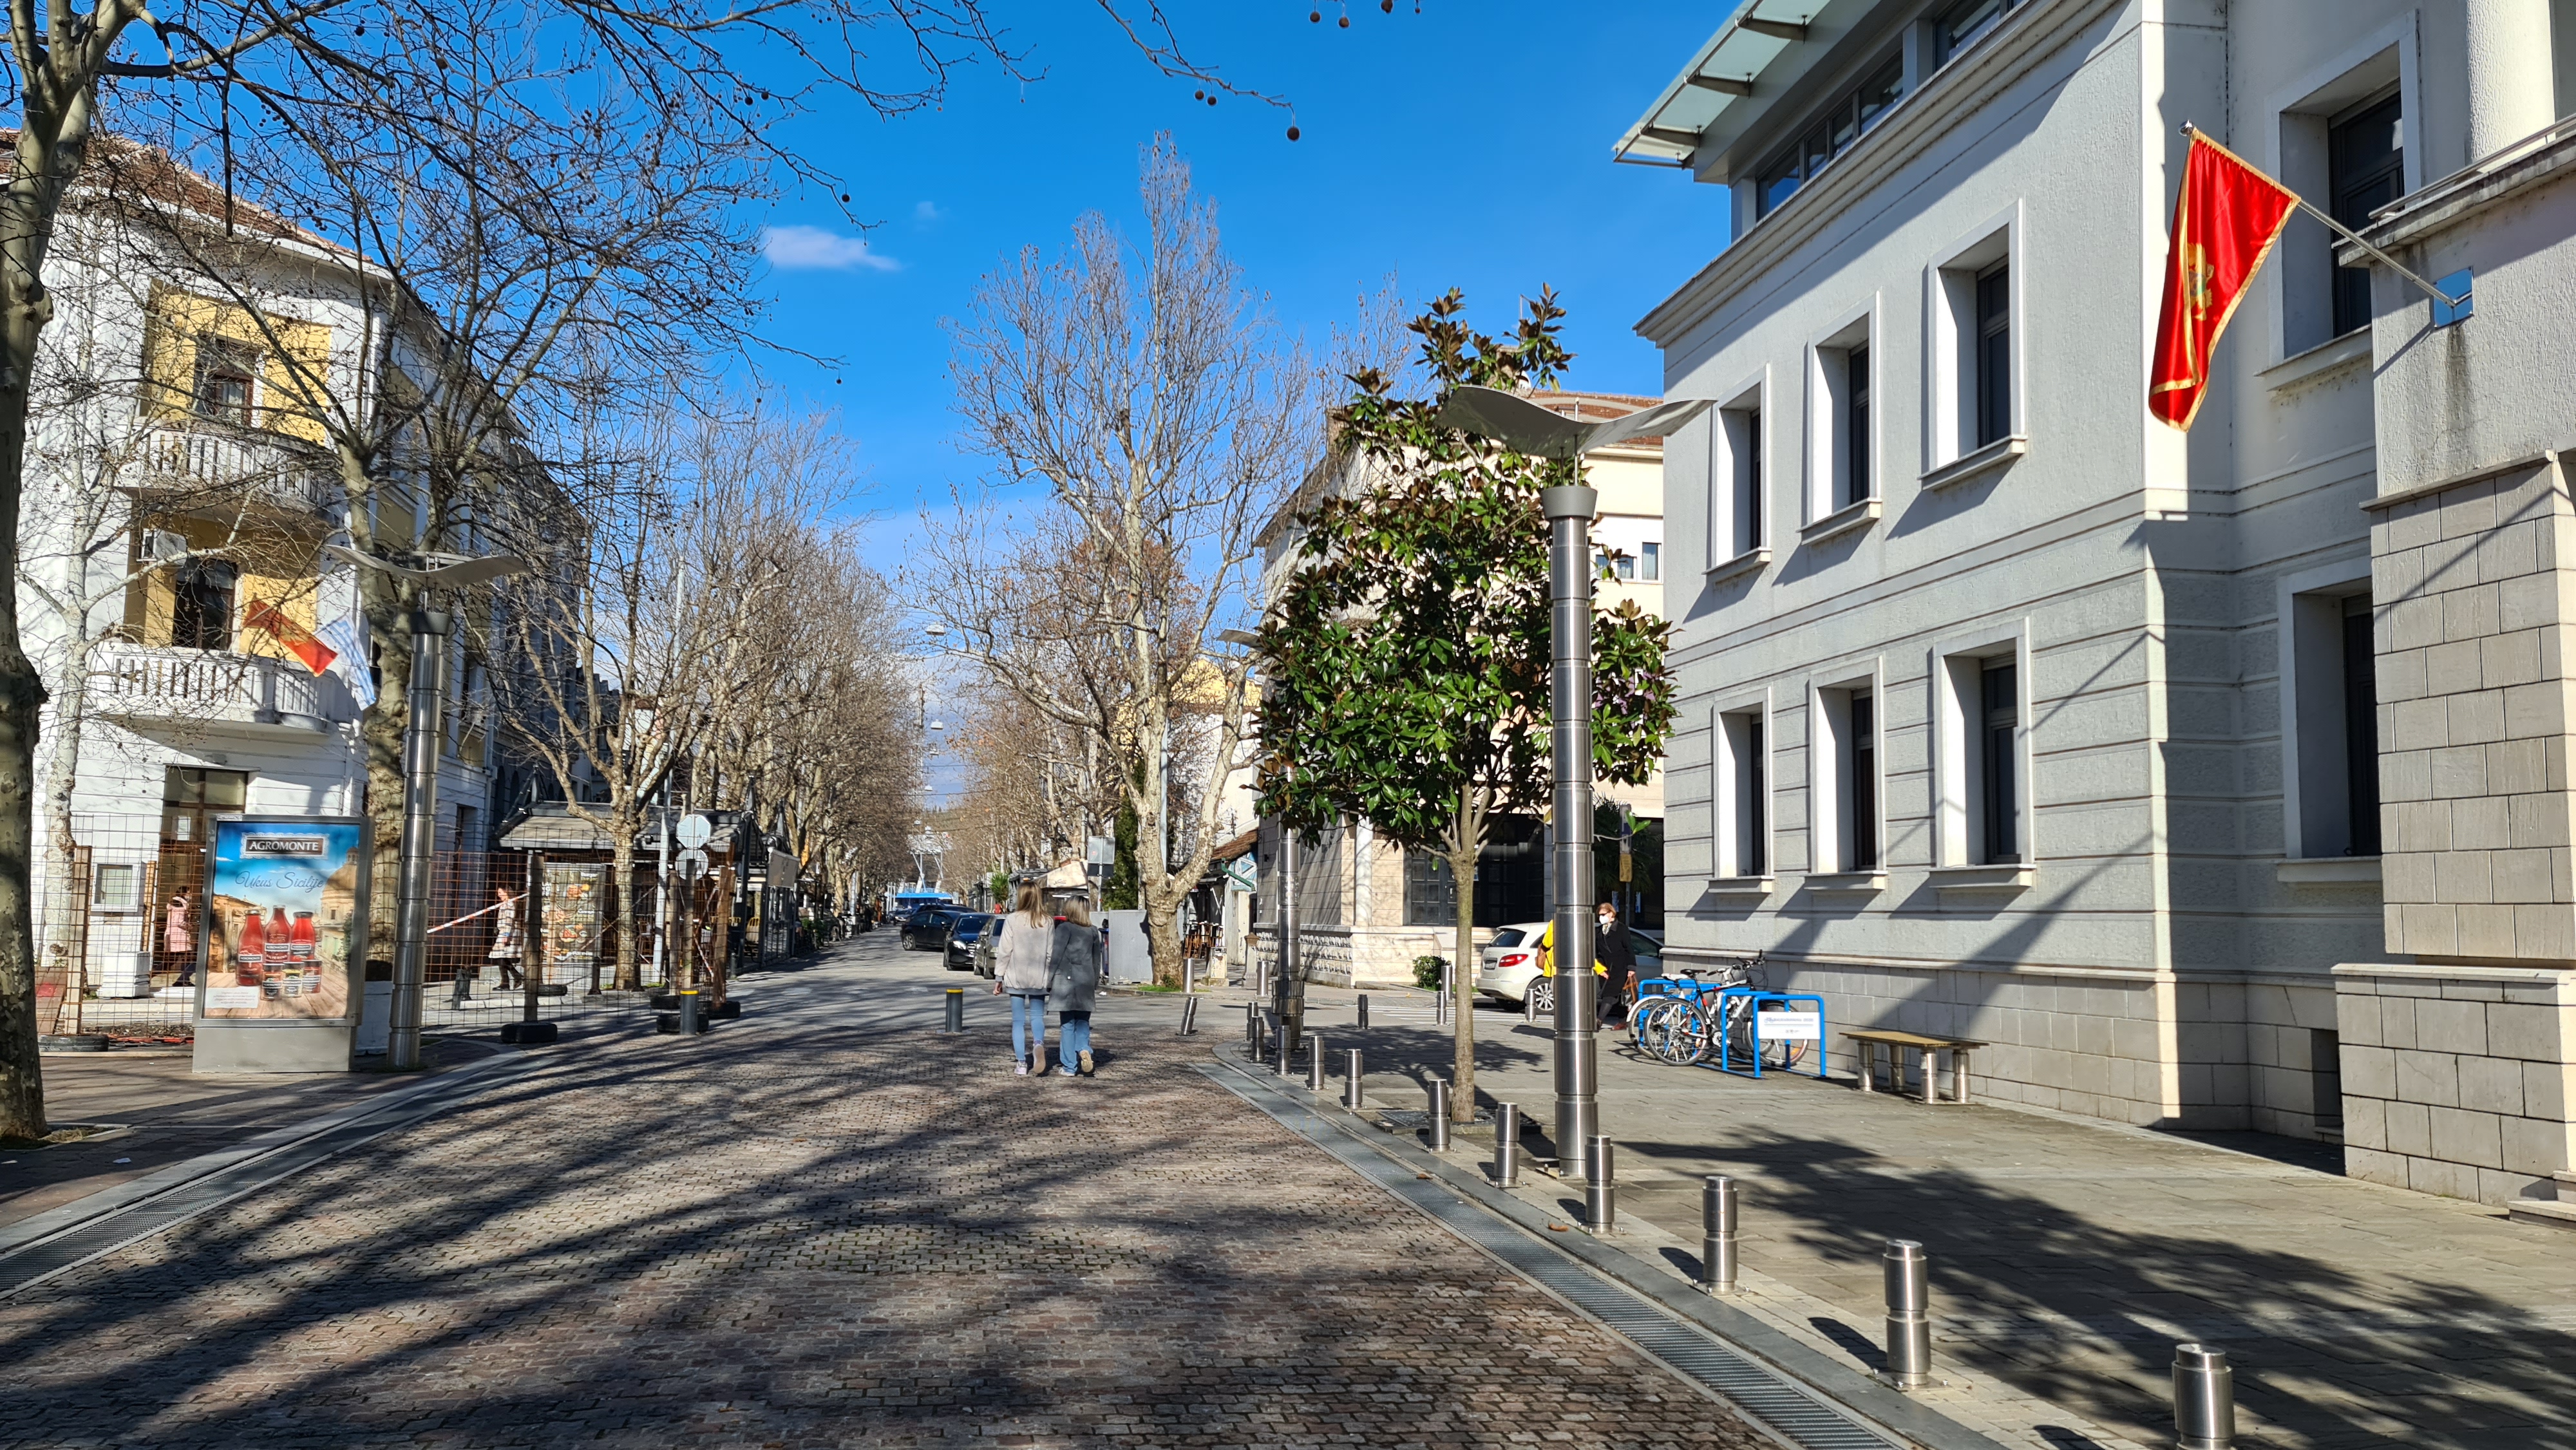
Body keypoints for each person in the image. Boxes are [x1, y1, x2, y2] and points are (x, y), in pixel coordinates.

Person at [992, 881, 1056, 1076]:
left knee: (1018, 1021)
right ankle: (1038, 1043)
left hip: (1016, 976)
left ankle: (1021, 1063)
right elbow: (1050, 953)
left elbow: (1005, 951)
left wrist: (999, 978)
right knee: (1037, 1017)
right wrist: (1050, 977)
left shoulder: (1012, 920)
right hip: (1039, 978)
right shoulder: (1048, 921)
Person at [1051, 896, 1104, 1077]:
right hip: (1086, 982)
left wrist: (1048, 980)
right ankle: (1084, 1049)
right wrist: (1094, 981)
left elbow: (1056, 956)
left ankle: (1069, 1066)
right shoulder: (1093, 931)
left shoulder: (1064, 929)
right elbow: (1097, 961)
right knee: (1083, 1022)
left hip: (1065, 982)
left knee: (1067, 1025)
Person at [1596, 901, 1636, 1026]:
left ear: (1611, 913)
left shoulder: (1621, 929)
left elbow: (1629, 948)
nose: (1601, 917)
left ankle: (1599, 1020)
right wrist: (1600, 969)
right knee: (1617, 996)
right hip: (1605, 967)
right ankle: (1623, 1021)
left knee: (1611, 994)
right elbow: (1596, 951)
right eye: (1599, 915)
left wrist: (1631, 967)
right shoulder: (1598, 931)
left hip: (1620, 967)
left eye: (1603, 914)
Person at [488, 887, 524, 990]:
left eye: (500, 892)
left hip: (507, 932)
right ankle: (515, 978)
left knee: (501, 957)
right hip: (506, 932)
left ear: (507, 892)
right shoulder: (507, 904)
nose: (499, 895)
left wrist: (506, 935)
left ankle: (507, 982)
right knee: (502, 957)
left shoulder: (509, 904)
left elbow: (509, 920)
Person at [165, 892, 195, 986]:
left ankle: (184, 980)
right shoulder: (180, 906)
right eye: (189, 893)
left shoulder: (174, 904)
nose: (191, 895)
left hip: (172, 935)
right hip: (179, 936)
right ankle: (182, 980)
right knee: (192, 960)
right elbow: (180, 922)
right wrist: (190, 926)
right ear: (184, 894)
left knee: (170, 962)